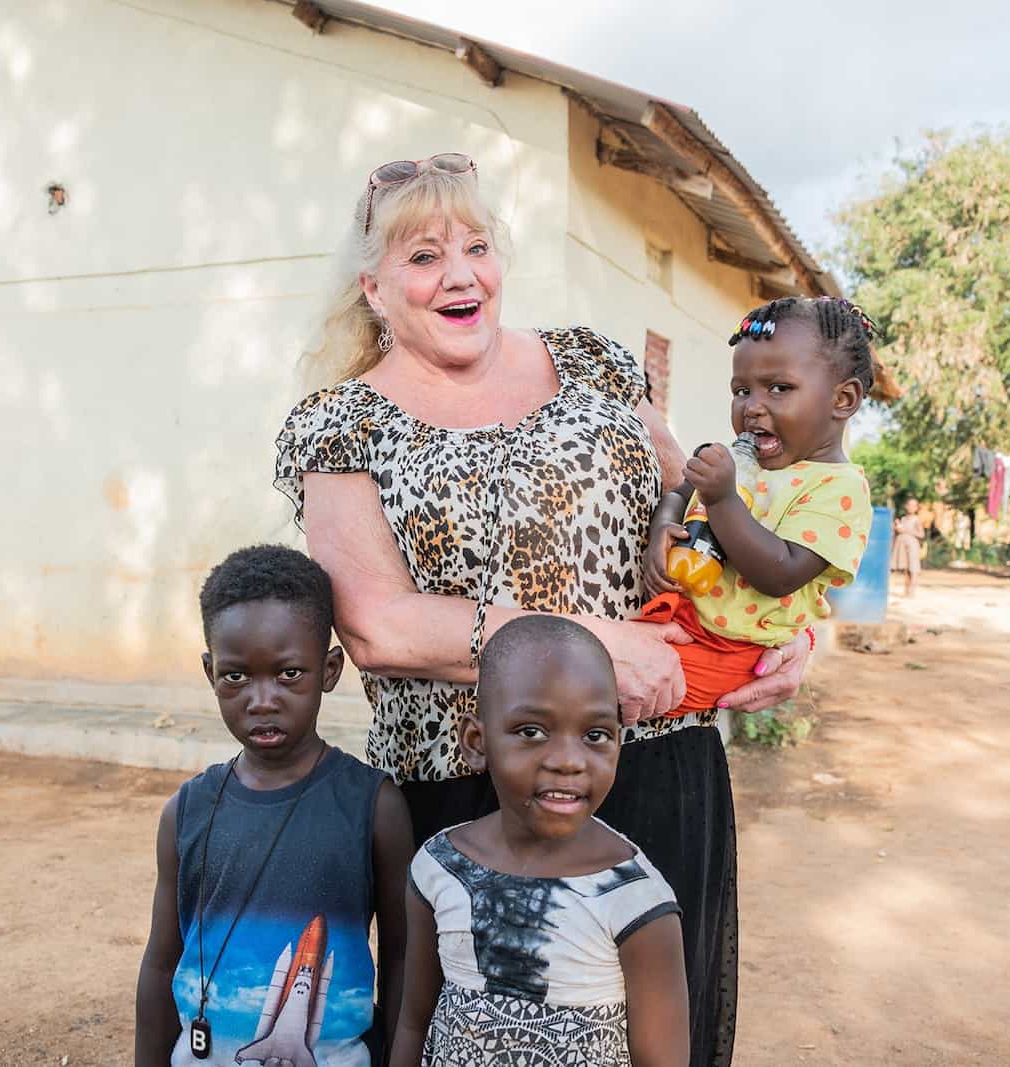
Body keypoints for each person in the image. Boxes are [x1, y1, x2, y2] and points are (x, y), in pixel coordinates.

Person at [274, 153, 809, 1065]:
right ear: (372, 285)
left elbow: (708, 514)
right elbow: (377, 625)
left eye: (477, 245)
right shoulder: (339, 423)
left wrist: (784, 616)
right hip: (471, 789)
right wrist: (598, 645)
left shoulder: (593, 360)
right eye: (423, 256)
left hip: (657, 760)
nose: (460, 274)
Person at [134, 545, 413, 1067]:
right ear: (209, 671)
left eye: (289, 674)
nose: (262, 699)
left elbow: (401, 957)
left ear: (329, 670)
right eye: (236, 676)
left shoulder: (374, 807)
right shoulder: (187, 812)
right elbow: (159, 964)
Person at [392, 616, 689, 1067]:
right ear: (476, 742)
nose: (569, 761)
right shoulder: (439, 867)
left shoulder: (635, 901)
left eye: (595, 735)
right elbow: (415, 1023)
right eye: (532, 732)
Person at [642, 297, 875, 713]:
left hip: (731, 651)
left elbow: (781, 572)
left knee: (603, 687)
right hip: (683, 619)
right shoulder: (745, 464)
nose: (752, 407)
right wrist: (664, 525)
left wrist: (723, 498)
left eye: (779, 388)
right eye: (742, 391)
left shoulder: (839, 489)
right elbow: (680, 493)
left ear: (843, 400)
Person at [891, 497, 925, 597]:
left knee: (913, 568)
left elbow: (921, 534)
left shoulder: (916, 519)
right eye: (909, 505)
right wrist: (896, 529)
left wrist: (906, 530)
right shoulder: (903, 519)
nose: (911, 507)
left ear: (917, 508)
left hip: (912, 546)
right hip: (902, 546)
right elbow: (898, 532)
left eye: (914, 505)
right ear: (906, 506)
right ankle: (906, 590)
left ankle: (912, 591)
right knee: (906, 569)